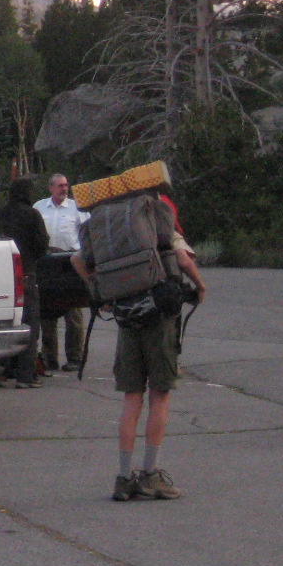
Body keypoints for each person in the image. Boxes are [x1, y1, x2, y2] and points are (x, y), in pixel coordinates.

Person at [72, 192, 205, 502]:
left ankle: (123, 477)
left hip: (127, 318)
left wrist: (98, 287)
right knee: (159, 395)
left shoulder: (112, 231)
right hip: (159, 320)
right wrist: (200, 286)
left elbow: (76, 259)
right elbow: (183, 260)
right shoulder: (159, 226)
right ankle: (150, 474)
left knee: (132, 398)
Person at [0, 177, 50, 387]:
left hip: (1, 276)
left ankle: (0, 371)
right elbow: (42, 244)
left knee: (3, 324)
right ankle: (26, 376)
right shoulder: (32, 215)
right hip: (25, 273)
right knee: (29, 324)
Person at [35, 173, 89, 370]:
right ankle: (50, 358)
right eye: (60, 186)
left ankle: (75, 358)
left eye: (66, 185)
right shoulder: (39, 207)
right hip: (47, 263)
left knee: (73, 313)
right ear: (51, 188)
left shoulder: (77, 208)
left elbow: (88, 233)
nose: (64, 189)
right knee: (47, 312)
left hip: (70, 262)